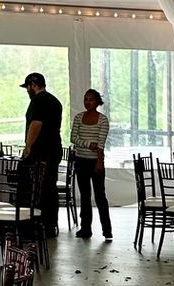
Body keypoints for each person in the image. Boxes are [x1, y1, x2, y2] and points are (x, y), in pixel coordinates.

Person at [19, 72, 64, 230]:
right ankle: (50, 224)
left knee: (37, 188)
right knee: (50, 188)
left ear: (33, 85)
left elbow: (36, 124)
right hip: (54, 149)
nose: (27, 91)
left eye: (27, 87)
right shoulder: (55, 101)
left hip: (42, 151)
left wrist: (28, 146)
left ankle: (36, 223)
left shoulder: (37, 101)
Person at [67, 88, 112, 239]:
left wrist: (100, 162)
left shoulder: (103, 120)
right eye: (85, 99)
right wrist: (87, 144)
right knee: (85, 196)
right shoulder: (79, 117)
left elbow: (101, 143)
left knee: (100, 196)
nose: (88, 102)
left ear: (97, 101)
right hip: (81, 160)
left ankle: (107, 230)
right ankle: (86, 228)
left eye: (91, 99)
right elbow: (73, 138)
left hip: (96, 161)